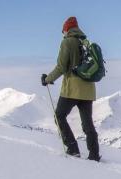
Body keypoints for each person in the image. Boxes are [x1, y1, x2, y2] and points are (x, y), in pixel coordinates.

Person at [41, 16, 100, 161]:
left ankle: (73, 149)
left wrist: (48, 79)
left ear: (66, 29)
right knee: (87, 123)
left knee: (59, 116)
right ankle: (94, 154)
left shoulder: (67, 42)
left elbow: (61, 67)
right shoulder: (85, 42)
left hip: (73, 89)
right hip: (88, 89)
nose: (63, 33)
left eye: (63, 30)